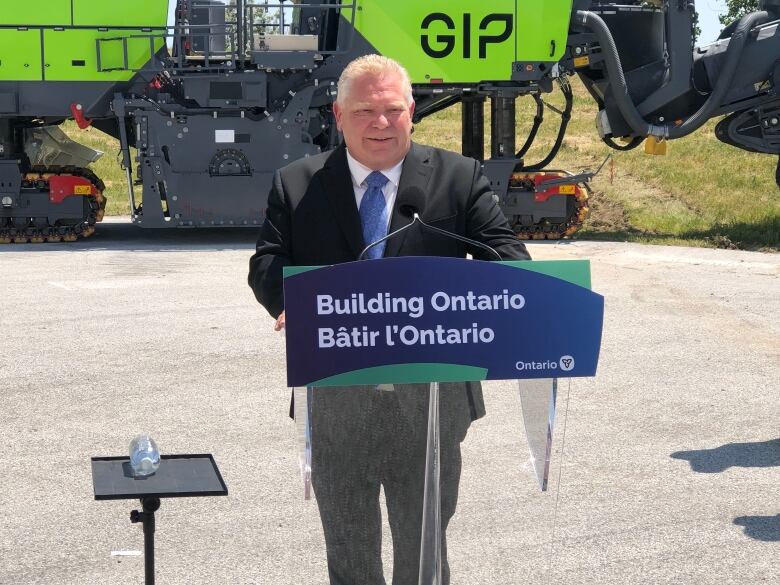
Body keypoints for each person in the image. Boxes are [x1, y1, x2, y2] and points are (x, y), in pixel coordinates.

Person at [248, 54, 530, 585]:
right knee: (349, 548)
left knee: (424, 548)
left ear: (412, 112)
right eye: (364, 111)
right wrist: (288, 299)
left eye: (392, 110)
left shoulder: (459, 177)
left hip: (433, 398)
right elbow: (266, 262)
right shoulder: (296, 182)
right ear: (337, 114)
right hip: (336, 397)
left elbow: (509, 261)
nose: (380, 123)